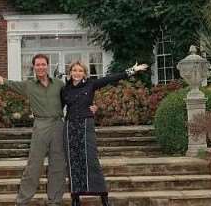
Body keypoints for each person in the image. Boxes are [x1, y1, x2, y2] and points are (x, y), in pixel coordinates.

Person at [0, 54, 66, 206]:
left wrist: (90, 107)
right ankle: (22, 201)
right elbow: (5, 83)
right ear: (34, 67)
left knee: (58, 165)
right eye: (38, 65)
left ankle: (54, 201)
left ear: (47, 66)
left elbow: (73, 97)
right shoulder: (28, 85)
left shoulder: (59, 84)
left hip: (58, 125)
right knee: (34, 165)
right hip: (41, 125)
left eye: (43, 64)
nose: (41, 67)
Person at [62, 61, 148, 206]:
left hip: (85, 125)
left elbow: (111, 78)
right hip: (70, 126)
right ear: (70, 72)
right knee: (73, 162)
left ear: (84, 73)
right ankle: (76, 197)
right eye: (74, 70)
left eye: (80, 71)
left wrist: (132, 70)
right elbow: (57, 106)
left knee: (91, 160)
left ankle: (103, 196)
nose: (77, 73)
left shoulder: (91, 85)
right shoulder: (65, 89)